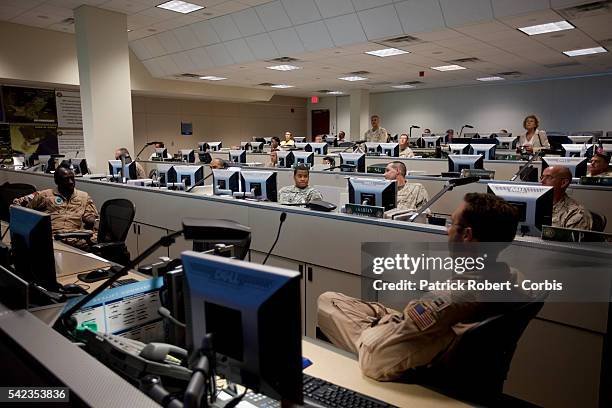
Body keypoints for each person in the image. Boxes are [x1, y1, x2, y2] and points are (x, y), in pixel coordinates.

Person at [318, 193, 530, 381]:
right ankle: (380, 327)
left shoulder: (447, 301)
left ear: (466, 235)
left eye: (451, 223)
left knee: (327, 303)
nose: (447, 230)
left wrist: (372, 333)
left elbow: (375, 362)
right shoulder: (517, 279)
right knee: (338, 301)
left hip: (420, 364)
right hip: (467, 366)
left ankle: (374, 331)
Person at [12, 165, 99, 250]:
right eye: (66, 179)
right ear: (57, 181)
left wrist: (94, 221)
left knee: (100, 238)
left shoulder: (83, 196)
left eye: (72, 178)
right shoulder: (45, 195)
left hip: (76, 236)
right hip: (53, 237)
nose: (71, 182)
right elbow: (21, 207)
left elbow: (90, 216)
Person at [540, 165, 592, 230]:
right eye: (542, 177)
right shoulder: (538, 205)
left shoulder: (576, 213)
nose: (542, 181)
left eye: (549, 177)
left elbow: (572, 240)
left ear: (563, 183)